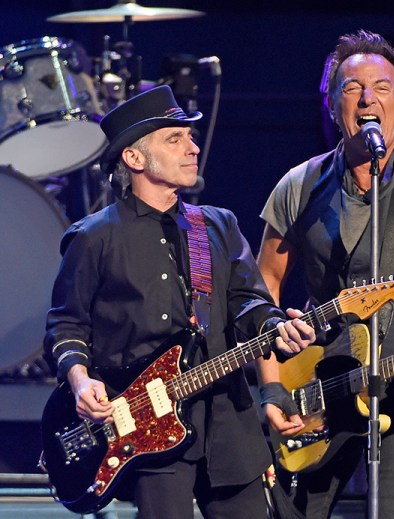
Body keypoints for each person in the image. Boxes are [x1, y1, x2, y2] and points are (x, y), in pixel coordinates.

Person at [43, 85, 316, 519]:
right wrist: (79, 381)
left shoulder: (216, 224)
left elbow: (250, 302)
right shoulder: (94, 236)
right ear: (134, 158)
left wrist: (274, 328)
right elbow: (65, 326)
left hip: (228, 423)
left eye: (190, 137)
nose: (192, 148)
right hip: (150, 432)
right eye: (175, 139)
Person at [255, 29, 394, 518]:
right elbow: (262, 291)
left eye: (382, 87)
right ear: (333, 104)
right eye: (351, 87)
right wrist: (273, 389)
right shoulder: (298, 185)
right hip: (317, 381)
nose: (366, 98)